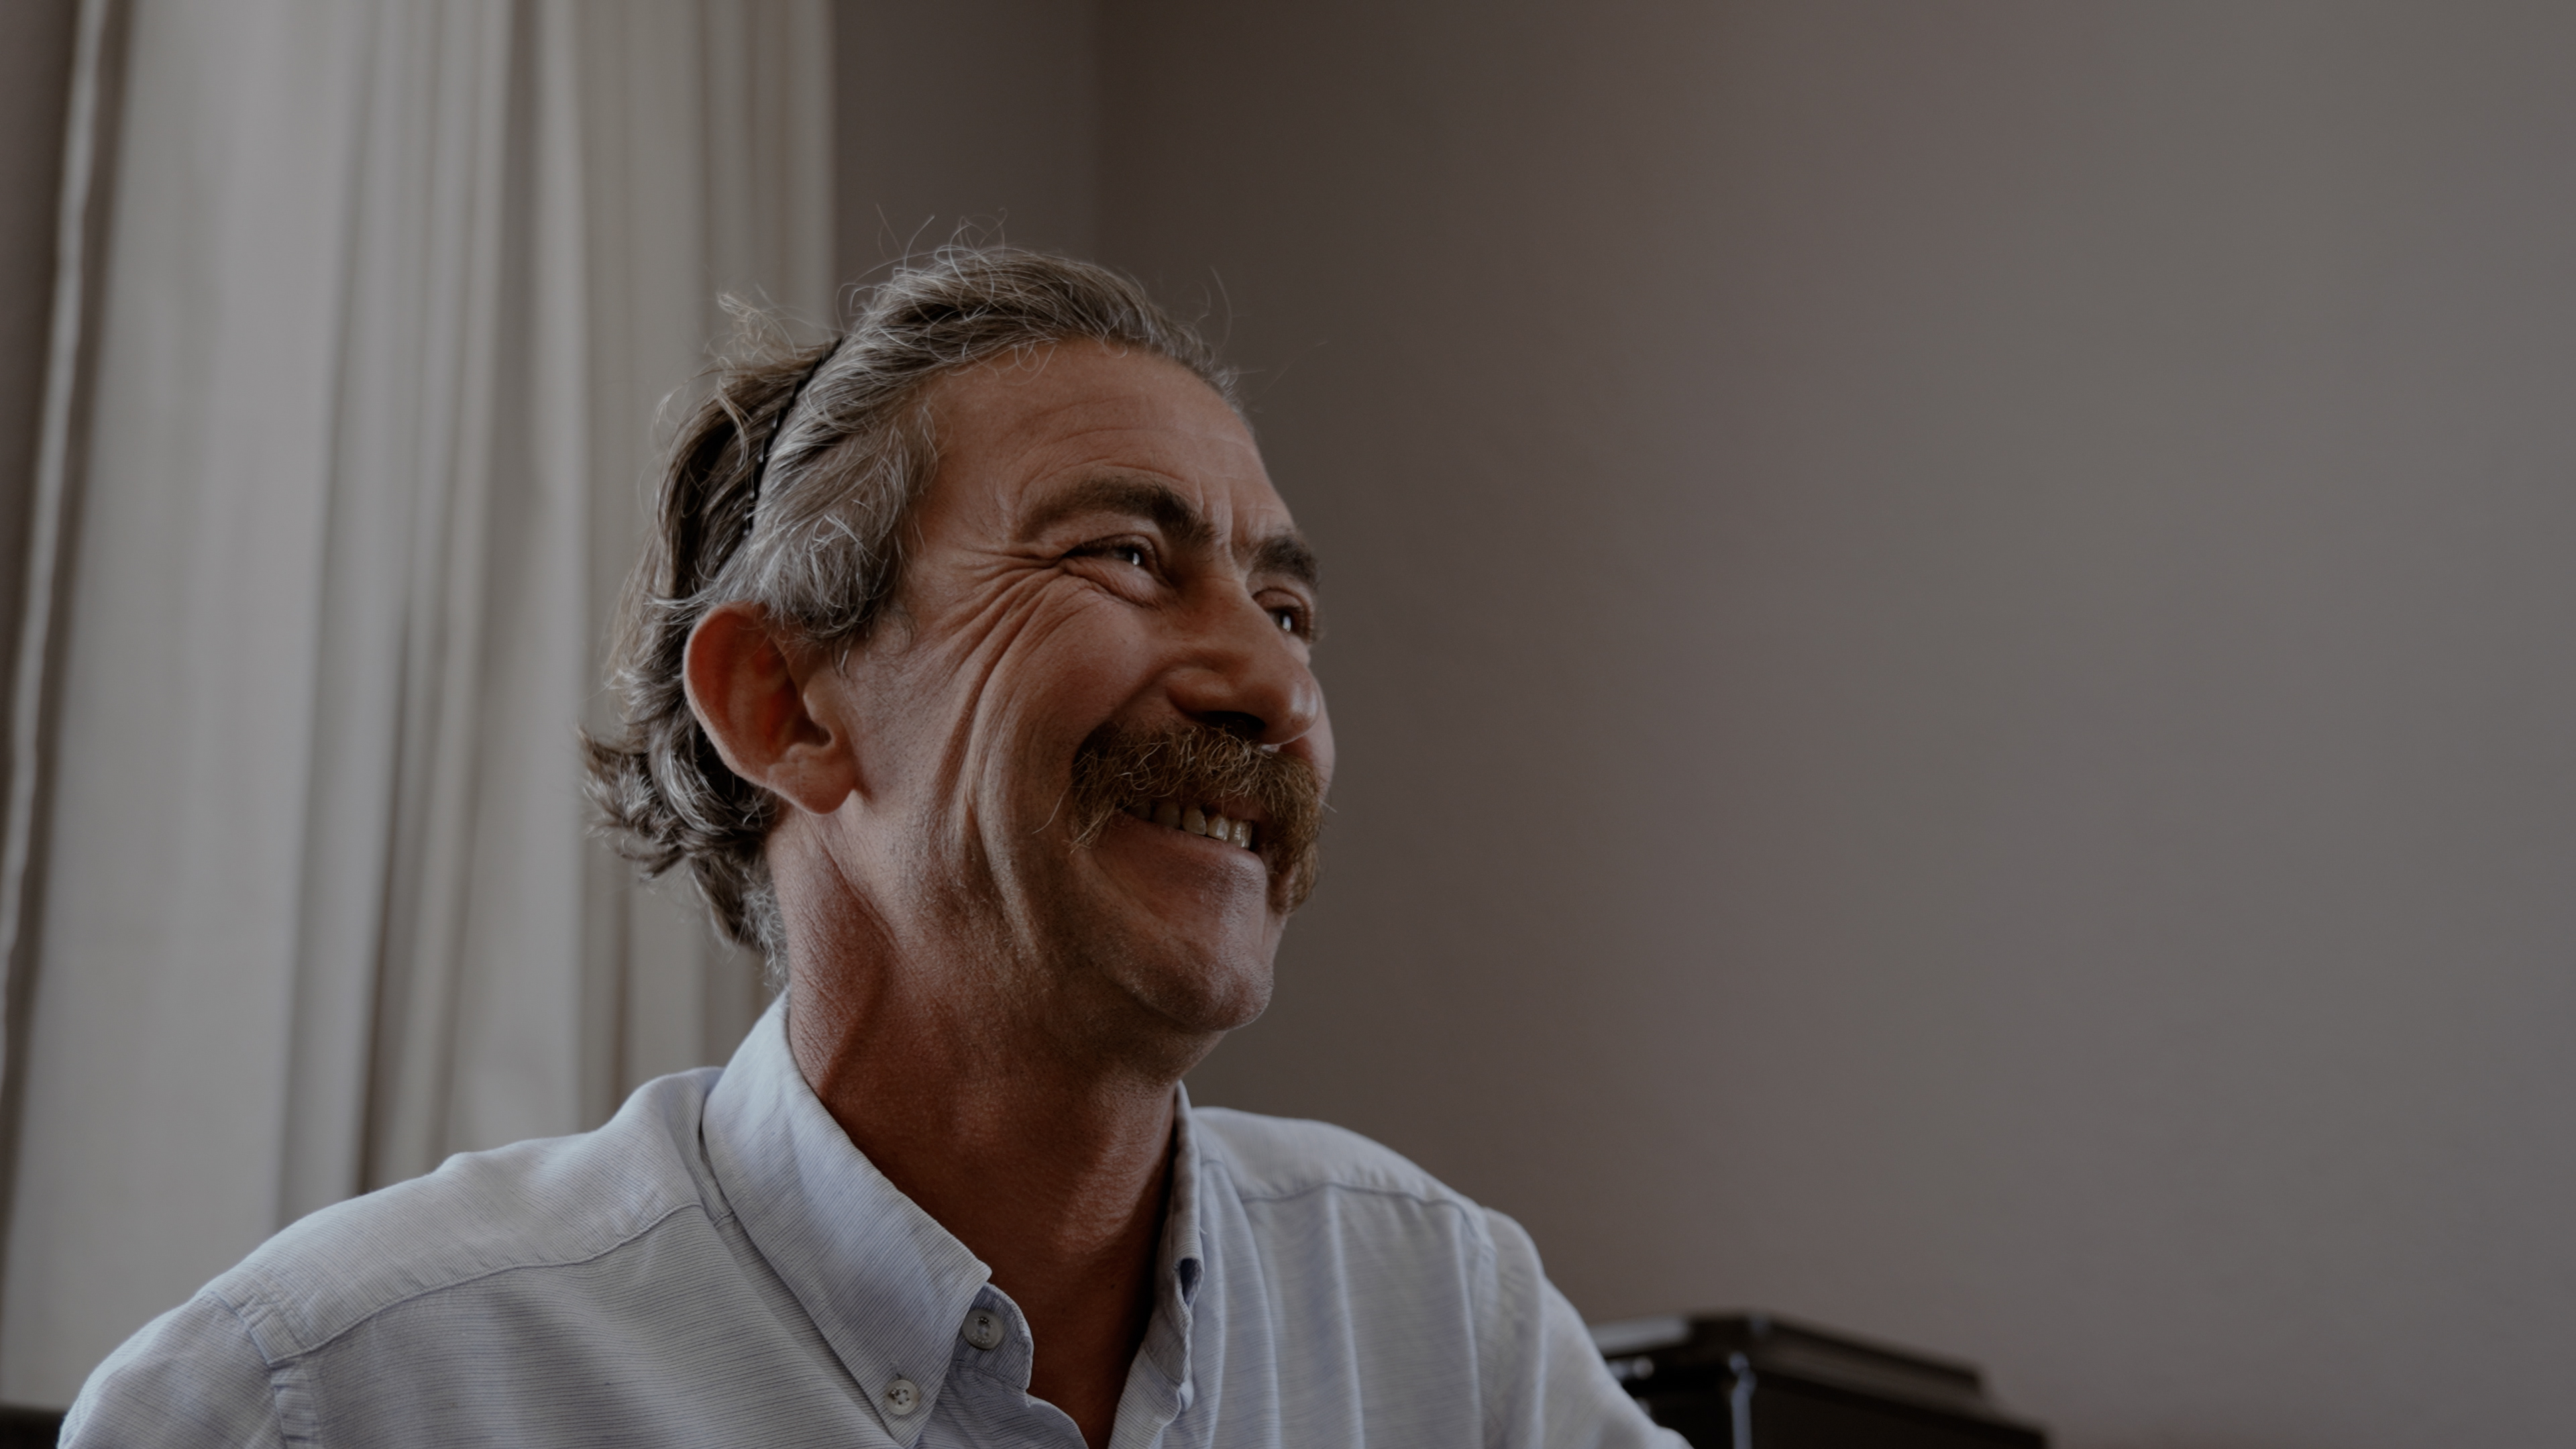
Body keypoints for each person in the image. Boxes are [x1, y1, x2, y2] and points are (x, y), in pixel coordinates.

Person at [64, 250, 1678, 1448]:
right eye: (1126, 555)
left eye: (1288, 609)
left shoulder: (1449, 1331)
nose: (1274, 686)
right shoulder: (315, 1403)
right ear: (785, 707)